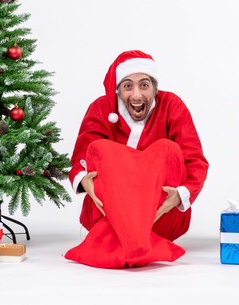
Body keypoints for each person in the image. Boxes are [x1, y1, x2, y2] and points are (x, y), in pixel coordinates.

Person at [68, 50, 209, 244]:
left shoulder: (172, 106)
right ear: (118, 90)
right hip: (108, 214)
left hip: (159, 218)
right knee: (99, 148)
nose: (136, 95)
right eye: (127, 86)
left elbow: (195, 161)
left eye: (144, 85)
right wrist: (85, 180)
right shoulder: (101, 109)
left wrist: (179, 195)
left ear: (154, 88)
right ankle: (118, 238)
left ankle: (139, 239)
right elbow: (81, 156)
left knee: (168, 149)